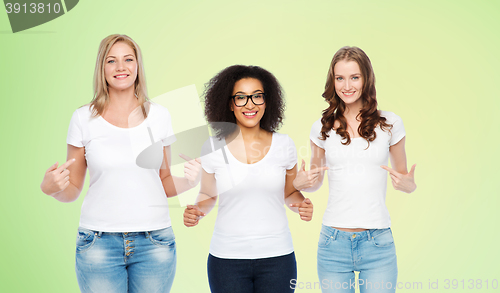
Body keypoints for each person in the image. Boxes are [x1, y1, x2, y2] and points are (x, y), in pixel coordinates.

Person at [40, 34, 200, 293]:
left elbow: (164, 183)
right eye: (111, 61)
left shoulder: (160, 116)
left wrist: (191, 180)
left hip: (155, 242)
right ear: (102, 69)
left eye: (128, 59)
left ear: (138, 66)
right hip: (98, 243)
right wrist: (51, 188)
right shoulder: (83, 118)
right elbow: (72, 189)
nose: (121, 67)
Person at [294, 46, 417, 293]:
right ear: (333, 81)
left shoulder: (390, 123)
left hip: (378, 243)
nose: (346, 86)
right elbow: (315, 181)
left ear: (366, 79)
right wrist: (300, 182)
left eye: (354, 77)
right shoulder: (321, 126)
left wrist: (408, 185)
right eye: (340, 78)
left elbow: (404, 178)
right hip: (333, 243)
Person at [183, 65, 313, 293]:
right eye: (241, 98)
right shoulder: (213, 147)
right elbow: (207, 194)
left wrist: (302, 205)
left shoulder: (285, 145)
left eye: (257, 96)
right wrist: (197, 210)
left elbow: (290, 193)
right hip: (226, 260)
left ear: (267, 101)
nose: (250, 104)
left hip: (278, 258)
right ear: (230, 104)